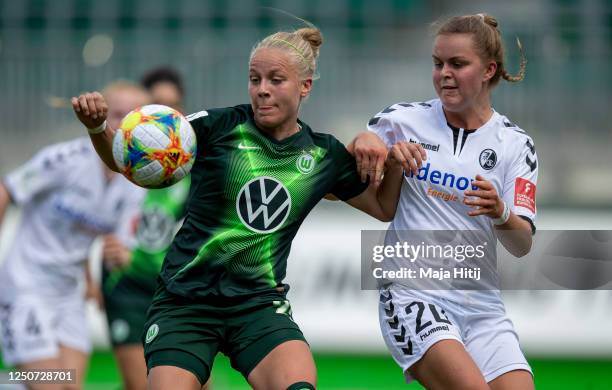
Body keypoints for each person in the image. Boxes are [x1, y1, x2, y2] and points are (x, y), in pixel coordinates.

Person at [72, 25, 403, 390]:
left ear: (305, 86)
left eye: (276, 79)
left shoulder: (324, 155)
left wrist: (391, 153)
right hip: (185, 303)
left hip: (257, 305)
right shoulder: (219, 126)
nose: (262, 89)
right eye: (254, 78)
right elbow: (128, 163)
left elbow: (382, 206)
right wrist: (98, 128)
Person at [355, 13, 537, 390]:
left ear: (489, 70)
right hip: (412, 293)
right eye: (438, 64)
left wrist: (500, 210)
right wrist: (365, 145)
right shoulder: (401, 121)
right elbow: (342, 182)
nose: (444, 74)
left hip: (482, 307)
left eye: (458, 64)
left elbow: (521, 245)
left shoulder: (515, 144)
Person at [0, 81, 148, 390]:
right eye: (117, 113)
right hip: (26, 285)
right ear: (100, 116)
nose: (124, 123)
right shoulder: (64, 159)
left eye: (134, 116)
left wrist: (111, 263)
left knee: (68, 384)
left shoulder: (135, 181)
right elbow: (7, 190)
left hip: (69, 294)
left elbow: (109, 242)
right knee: (50, 385)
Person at [100, 67, 193, 390]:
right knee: (142, 384)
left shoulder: (191, 165)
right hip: (125, 286)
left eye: (175, 107)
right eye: (158, 104)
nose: (167, 115)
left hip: (171, 289)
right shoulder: (119, 162)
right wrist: (93, 265)